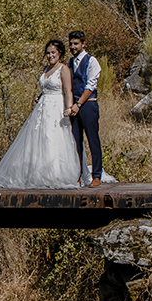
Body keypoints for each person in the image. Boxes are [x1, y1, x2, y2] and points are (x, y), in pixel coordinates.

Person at [0, 39, 81, 189]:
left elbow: (67, 90)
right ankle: (37, 173)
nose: (50, 56)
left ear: (59, 53)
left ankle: (53, 174)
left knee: (51, 137)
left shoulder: (63, 69)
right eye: (48, 53)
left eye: (53, 53)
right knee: (38, 138)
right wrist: (40, 96)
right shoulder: (46, 69)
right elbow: (45, 87)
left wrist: (69, 107)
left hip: (56, 107)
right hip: (42, 107)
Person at [66, 30, 109, 188]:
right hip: (74, 107)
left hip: (88, 105)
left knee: (92, 140)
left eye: (76, 44)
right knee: (76, 142)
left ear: (83, 44)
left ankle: (96, 175)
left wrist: (78, 104)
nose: (73, 47)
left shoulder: (92, 61)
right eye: (71, 44)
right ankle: (78, 174)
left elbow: (90, 86)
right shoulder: (70, 62)